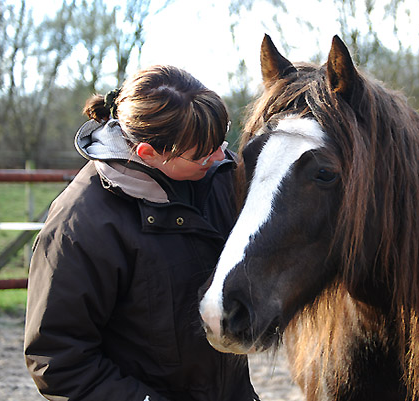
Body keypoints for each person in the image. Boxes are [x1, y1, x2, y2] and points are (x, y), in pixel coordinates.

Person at [24, 65, 259, 401]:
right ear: (147, 153)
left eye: (221, 142)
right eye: (203, 154)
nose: (223, 156)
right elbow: (59, 359)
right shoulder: (80, 226)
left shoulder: (221, 175)